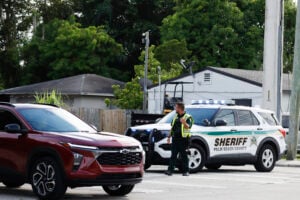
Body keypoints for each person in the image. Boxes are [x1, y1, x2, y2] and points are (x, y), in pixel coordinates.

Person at [165, 102, 193, 176]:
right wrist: (169, 137)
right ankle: (170, 171)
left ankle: (186, 171)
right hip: (175, 139)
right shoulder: (175, 117)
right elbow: (172, 128)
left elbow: (188, 127)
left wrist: (184, 122)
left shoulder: (187, 117)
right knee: (173, 155)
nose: (175, 109)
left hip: (184, 140)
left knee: (184, 156)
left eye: (176, 107)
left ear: (180, 108)